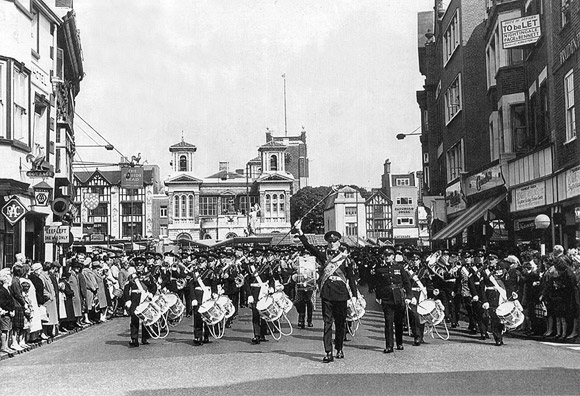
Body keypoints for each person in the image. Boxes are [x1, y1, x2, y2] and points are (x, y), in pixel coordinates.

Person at [293, 220, 358, 363]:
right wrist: (300, 232)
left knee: (340, 323)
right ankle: (328, 352)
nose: (332, 243)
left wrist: (354, 296)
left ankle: (339, 348)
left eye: (334, 241)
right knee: (327, 323)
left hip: (341, 294)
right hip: (327, 293)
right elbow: (309, 247)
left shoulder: (345, 259)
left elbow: (351, 278)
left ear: (339, 242)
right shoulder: (324, 256)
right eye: (330, 241)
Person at [369, 245, 412, 353]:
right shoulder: (379, 269)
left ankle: (399, 342)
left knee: (399, 322)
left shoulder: (399, 267)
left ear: (393, 256)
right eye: (385, 255)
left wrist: (409, 296)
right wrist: (378, 297)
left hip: (399, 297)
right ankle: (389, 345)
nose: (387, 257)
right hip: (387, 297)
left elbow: (406, 282)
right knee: (388, 322)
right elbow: (377, 285)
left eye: (389, 255)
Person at [123, 264, 156, 347]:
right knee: (134, 317)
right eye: (137, 266)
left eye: (140, 265)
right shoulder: (131, 276)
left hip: (144, 298)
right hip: (134, 299)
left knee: (145, 317)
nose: (139, 267)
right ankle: (134, 339)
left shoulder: (148, 276)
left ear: (143, 266)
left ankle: (145, 338)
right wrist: (127, 300)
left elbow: (154, 286)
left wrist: (151, 294)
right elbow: (126, 289)